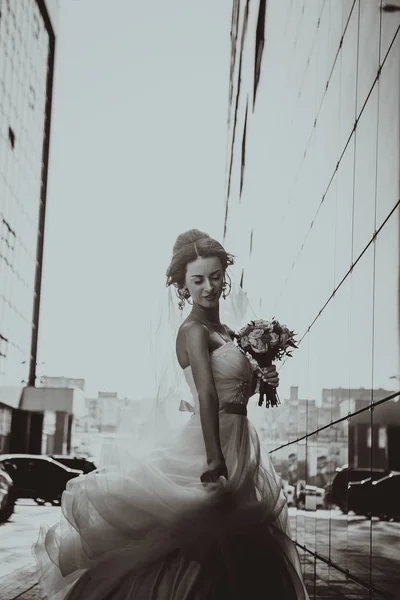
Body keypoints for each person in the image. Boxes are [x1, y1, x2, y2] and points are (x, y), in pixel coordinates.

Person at [34, 229, 309, 599]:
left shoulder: (227, 331)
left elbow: (237, 391)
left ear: (224, 276)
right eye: (197, 280)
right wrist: (214, 458)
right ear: (183, 285)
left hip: (239, 439)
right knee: (200, 537)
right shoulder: (193, 330)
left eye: (215, 277)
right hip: (211, 441)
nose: (208, 287)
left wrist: (267, 380)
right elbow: (207, 394)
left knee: (238, 542)